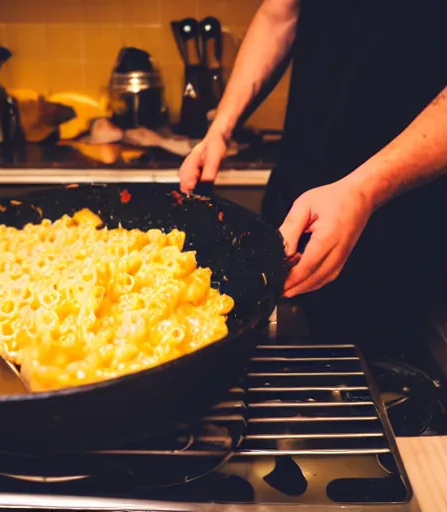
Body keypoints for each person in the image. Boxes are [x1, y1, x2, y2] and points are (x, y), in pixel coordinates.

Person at [179, 0, 447, 346]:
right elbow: (280, 14)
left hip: (408, 226)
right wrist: (220, 129)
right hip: (297, 198)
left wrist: (363, 191)